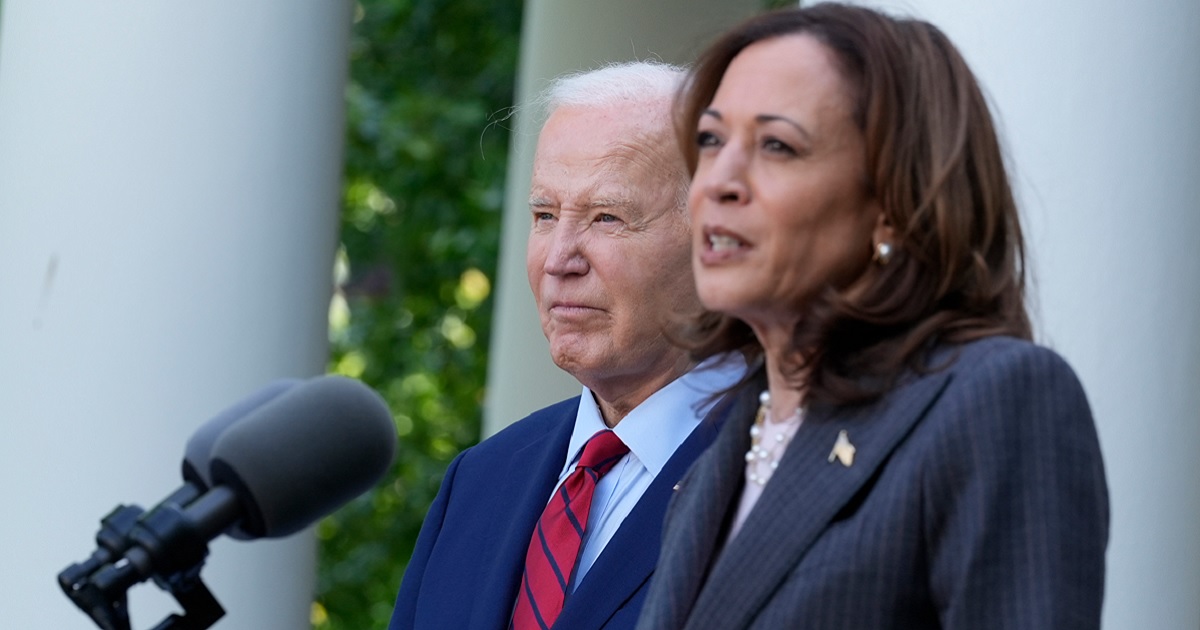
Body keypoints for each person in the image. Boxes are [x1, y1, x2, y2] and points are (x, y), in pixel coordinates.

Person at [636, 4, 1109, 629]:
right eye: (711, 140)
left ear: (891, 201)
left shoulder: (997, 399)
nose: (718, 181)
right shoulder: (720, 453)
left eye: (777, 145)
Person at [388, 61, 746, 630]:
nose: (559, 259)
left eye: (607, 217)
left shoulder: (785, 474)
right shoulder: (481, 479)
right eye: (545, 215)